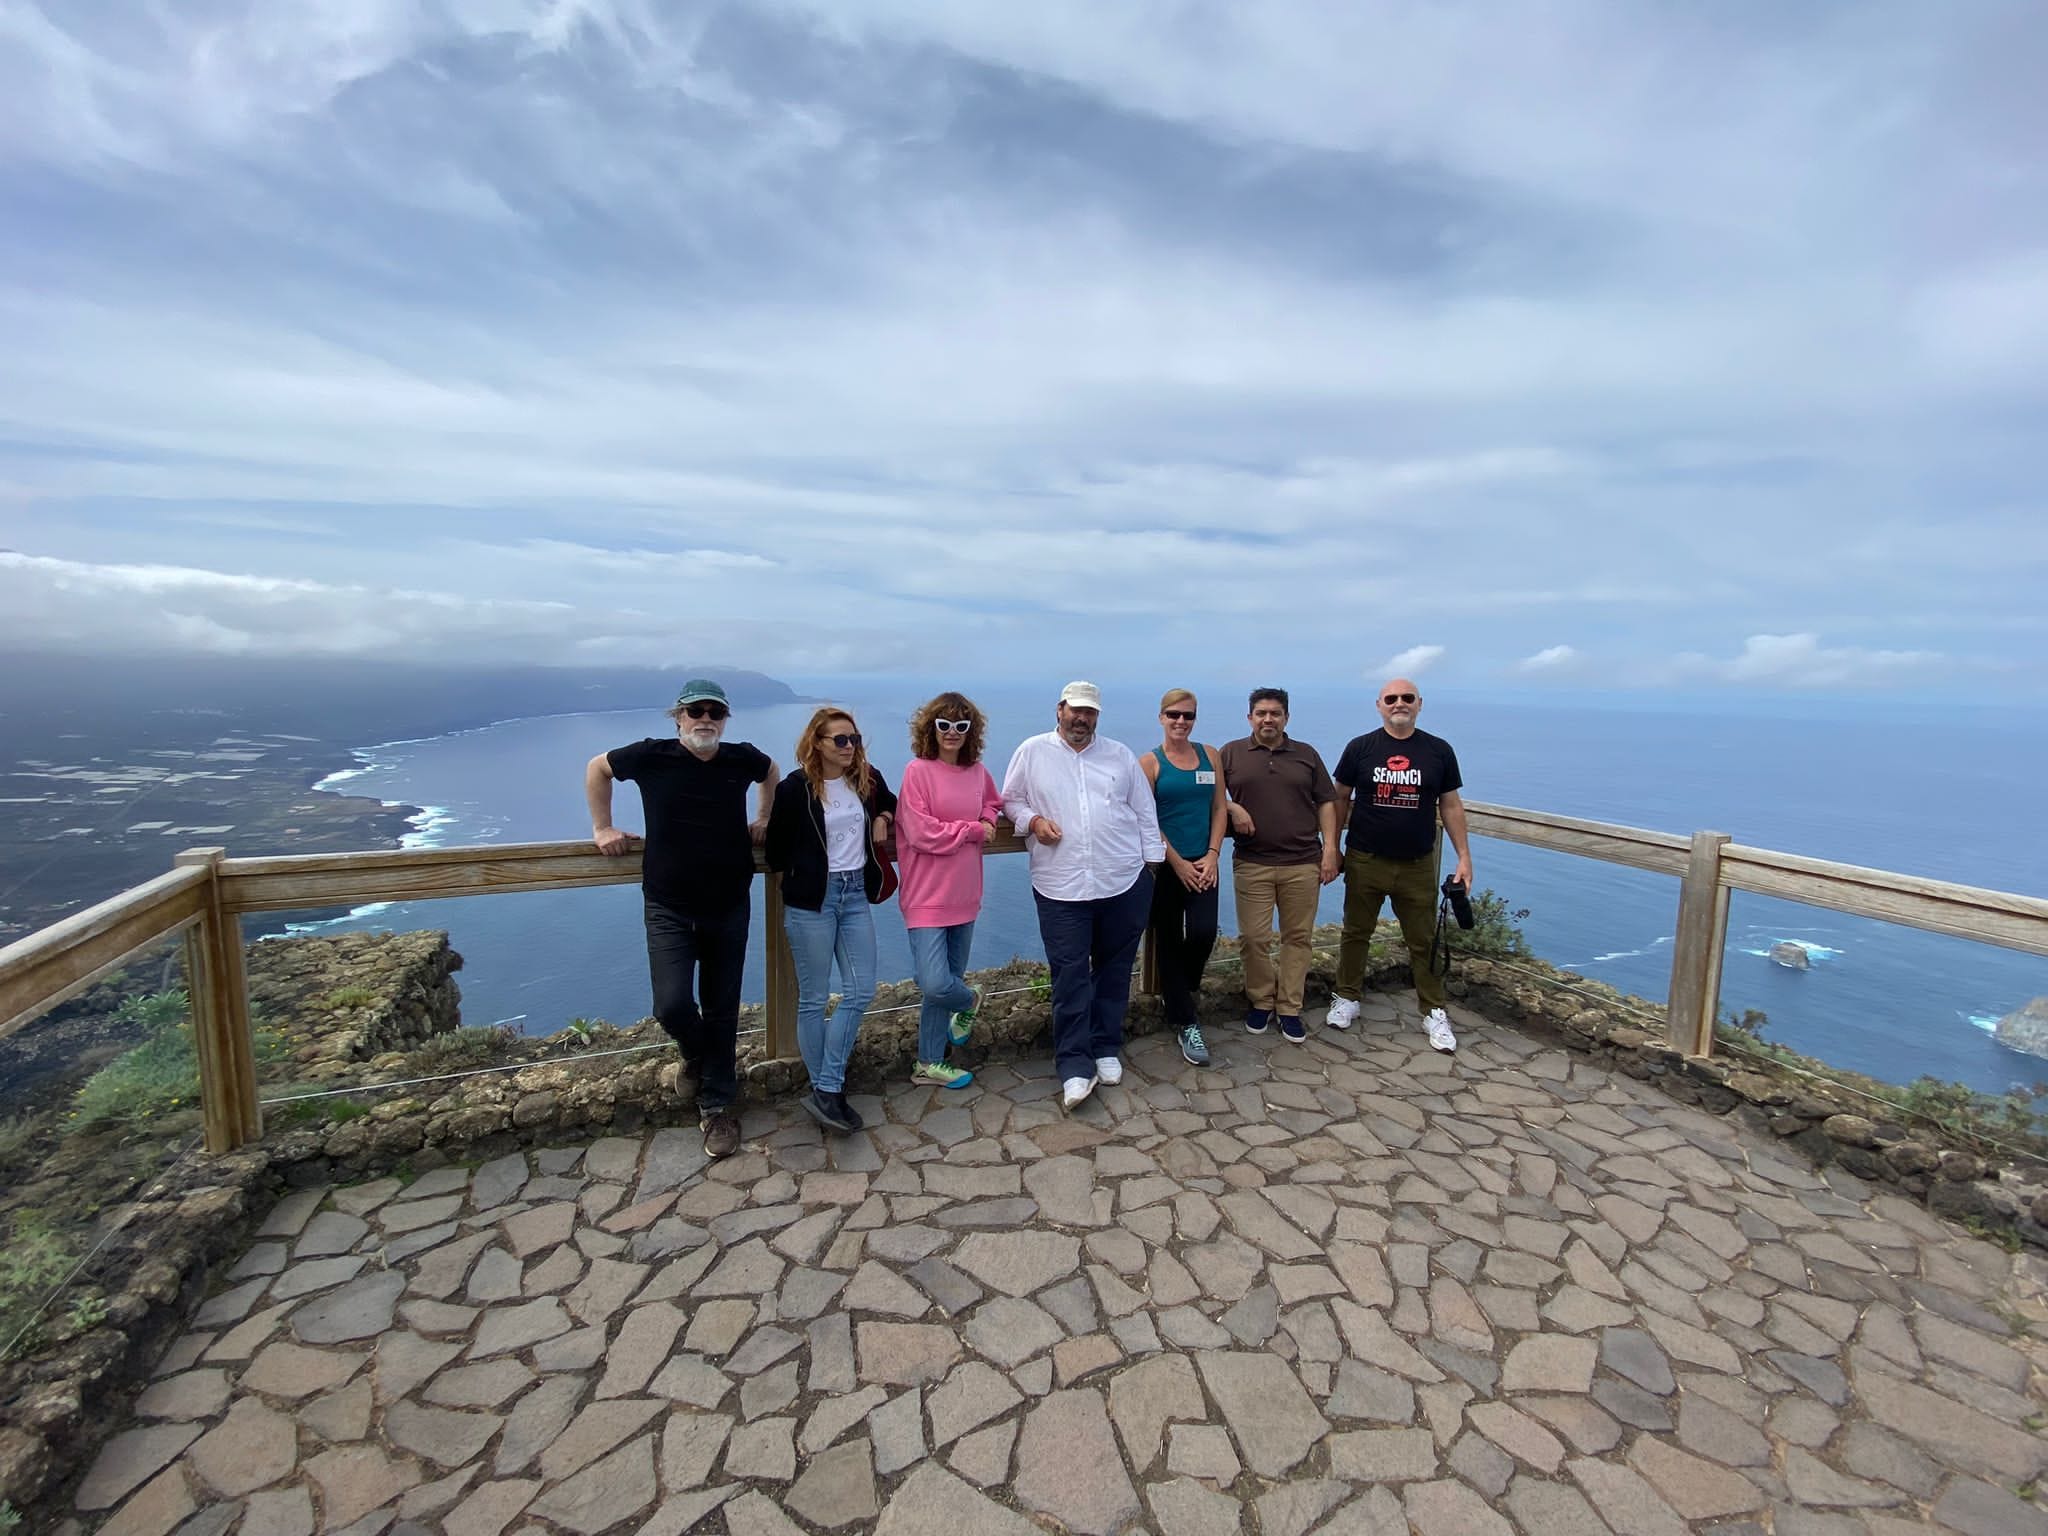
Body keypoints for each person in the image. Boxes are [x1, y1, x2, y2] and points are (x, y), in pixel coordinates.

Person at [586, 679, 775, 1160]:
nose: (705, 718)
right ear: (678, 717)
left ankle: (716, 1108)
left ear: (725, 719)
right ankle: (697, 1055)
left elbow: (772, 771)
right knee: (670, 1005)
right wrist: (602, 827)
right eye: (695, 711)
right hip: (668, 904)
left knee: (721, 1007)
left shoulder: (739, 758)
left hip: (730, 901)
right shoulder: (652, 756)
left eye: (715, 711)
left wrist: (765, 816)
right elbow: (597, 768)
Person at [1001, 680, 1165, 1111]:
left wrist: (1151, 869)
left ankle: (1106, 1045)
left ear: (1097, 716)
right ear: (1060, 709)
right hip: (1060, 886)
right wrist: (1033, 821)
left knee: (1115, 969)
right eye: (1076, 710)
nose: (1082, 719)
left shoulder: (1119, 756)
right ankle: (1074, 1065)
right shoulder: (1032, 751)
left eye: (1090, 712)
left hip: (1123, 881)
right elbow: (1010, 801)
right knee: (1070, 974)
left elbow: (1145, 813)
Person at [765, 707, 898, 1131]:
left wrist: (882, 818)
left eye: (854, 739)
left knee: (861, 990)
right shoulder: (794, 788)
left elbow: (891, 802)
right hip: (812, 904)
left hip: (856, 892)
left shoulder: (867, 778)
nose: (849, 747)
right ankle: (829, 1090)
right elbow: (775, 852)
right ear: (817, 743)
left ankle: (826, 1087)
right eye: (840, 740)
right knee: (813, 998)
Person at [1328, 677, 1473, 1053]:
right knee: (1356, 931)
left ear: (1420, 704)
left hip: (1417, 863)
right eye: (1391, 698)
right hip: (1365, 858)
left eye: (1406, 698)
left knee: (1423, 939)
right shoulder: (1360, 748)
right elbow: (1339, 798)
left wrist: (1464, 857)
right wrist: (1333, 847)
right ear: (1378, 705)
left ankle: (1434, 1010)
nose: (1399, 704)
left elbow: (1451, 805)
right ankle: (1347, 996)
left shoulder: (1438, 751)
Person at [1219, 687, 1340, 1042]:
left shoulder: (1306, 755)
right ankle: (1261, 1001)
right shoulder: (1231, 753)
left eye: (1275, 713)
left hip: (1303, 862)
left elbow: (1326, 802)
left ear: (1286, 718)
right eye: (1261, 713)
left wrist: (1331, 848)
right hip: (1252, 862)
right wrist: (1231, 806)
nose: (1268, 719)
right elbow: (1209, 794)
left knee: (1297, 938)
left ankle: (1289, 1007)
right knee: (1253, 938)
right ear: (1250, 718)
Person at [896, 691, 1004, 1090]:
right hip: (926, 895)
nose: (953, 733)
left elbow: (994, 803)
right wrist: (974, 830)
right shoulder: (917, 772)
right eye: (945, 725)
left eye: (962, 725)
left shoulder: (977, 773)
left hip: (965, 894)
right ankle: (971, 1000)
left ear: (971, 731)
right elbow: (922, 833)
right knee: (935, 982)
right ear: (931, 728)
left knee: (944, 983)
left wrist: (989, 817)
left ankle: (928, 1063)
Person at [1141, 688, 1227, 1066]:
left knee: (1205, 932)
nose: (1180, 721)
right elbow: (1147, 820)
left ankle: (1179, 994)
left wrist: (1212, 854)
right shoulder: (1150, 764)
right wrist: (1175, 862)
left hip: (1204, 862)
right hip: (1166, 868)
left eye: (1188, 716)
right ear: (1161, 717)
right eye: (1173, 714)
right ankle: (1186, 1021)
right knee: (1170, 942)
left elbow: (1220, 806)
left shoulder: (1210, 756)